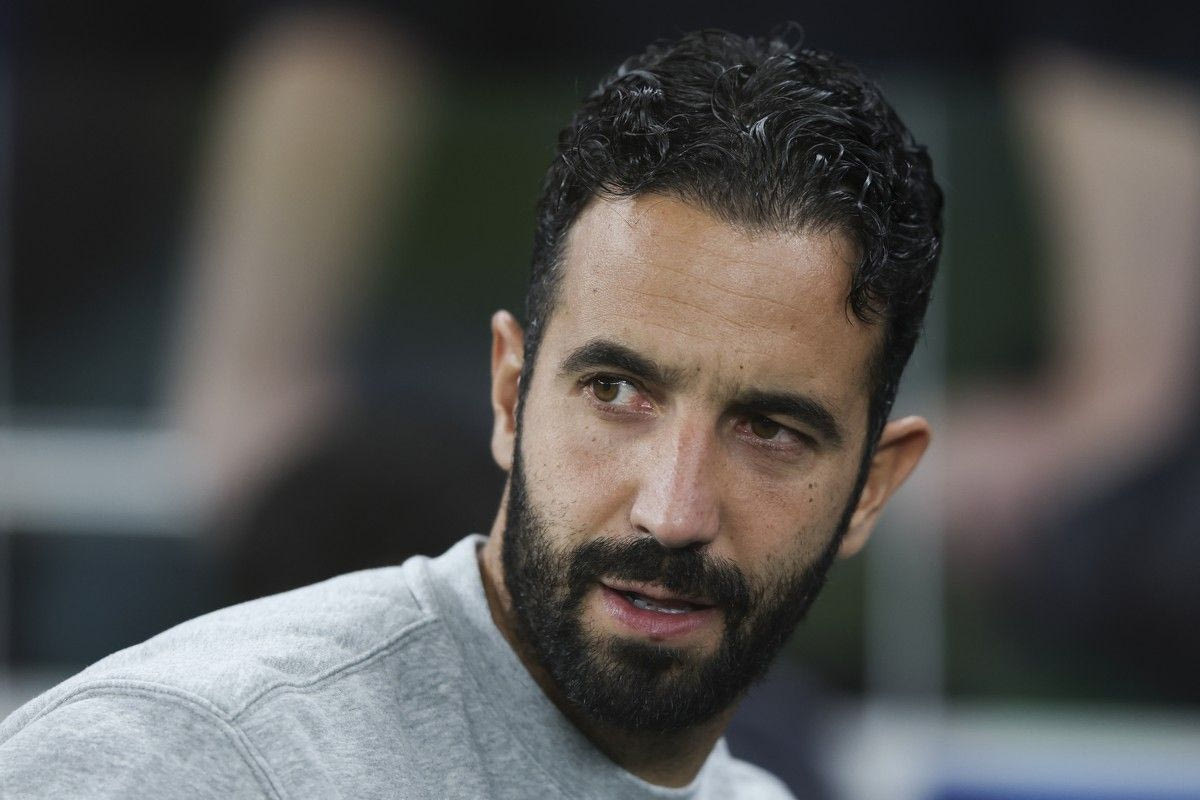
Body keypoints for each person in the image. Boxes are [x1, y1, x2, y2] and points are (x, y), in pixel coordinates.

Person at [0, 28, 941, 798]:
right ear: (509, 394)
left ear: (872, 487)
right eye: (615, 392)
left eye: (770, 430)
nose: (672, 510)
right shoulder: (182, 757)